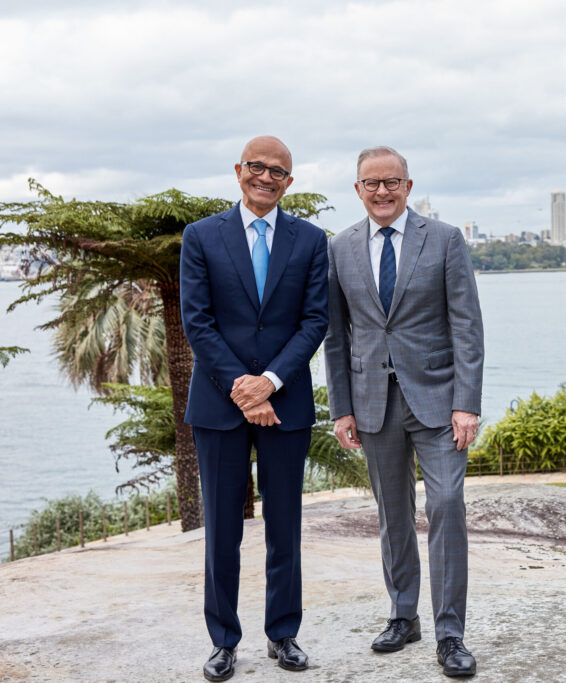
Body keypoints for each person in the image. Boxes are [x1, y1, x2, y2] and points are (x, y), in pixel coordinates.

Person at [323, 146, 484, 678]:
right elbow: (337, 337)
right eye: (372, 183)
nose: (382, 192)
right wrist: (341, 407)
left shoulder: (443, 240)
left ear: (408, 187)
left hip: (439, 402)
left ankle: (450, 632)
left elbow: (467, 327)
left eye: (392, 182)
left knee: (446, 505)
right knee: (393, 515)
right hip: (373, 403)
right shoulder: (340, 248)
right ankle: (402, 615)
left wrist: (467, 403)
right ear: (358, 189)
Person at [180, 135, 329, 682]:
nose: (266, 177)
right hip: (218, 407)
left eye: (278, 172)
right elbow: (197, 321)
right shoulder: (201, 237)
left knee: (284, 524)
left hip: (286, 402)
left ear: (290, 182)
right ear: (238, 170)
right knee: (222, 529)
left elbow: (315, 321)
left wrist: (268, 383)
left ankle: (282, 633)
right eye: (257, 167)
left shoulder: (312, 241)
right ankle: (223, 641)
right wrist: (243, 388)